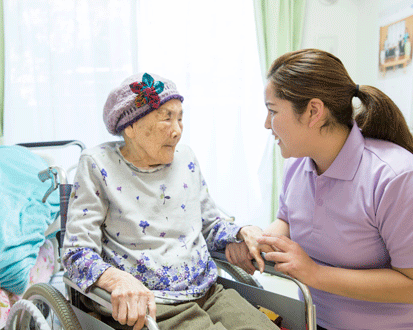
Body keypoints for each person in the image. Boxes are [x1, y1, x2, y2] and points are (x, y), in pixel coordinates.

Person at [226, 49, 413, 330]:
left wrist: (315, 274)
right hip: (314, 321)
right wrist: (258, 243)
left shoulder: (398, 179)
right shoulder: (298, 166)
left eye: (273, 111)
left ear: (314, 111)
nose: (267, 124)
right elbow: (289, 221)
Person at [62, 72, 278, 330]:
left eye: (180, 118)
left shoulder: (185, 158)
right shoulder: (98, 165)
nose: (177, 131)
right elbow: (76, 252)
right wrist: (115, 279)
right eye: (166, 118)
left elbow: (210, 224)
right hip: (150, 305)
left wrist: (241, 233)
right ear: (129, 127)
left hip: (207, 292)